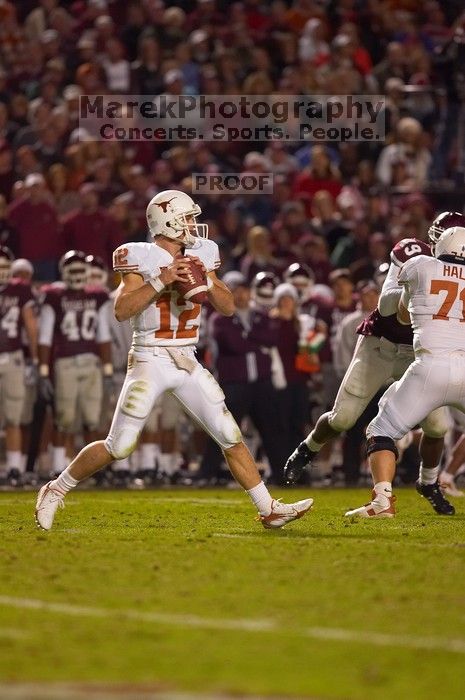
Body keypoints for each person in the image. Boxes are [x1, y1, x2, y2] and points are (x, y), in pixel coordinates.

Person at [35, 190, 312, 530]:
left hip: (187, 357)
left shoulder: (203, 253)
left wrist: (207, 280)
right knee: (119, 445)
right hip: (150, 357)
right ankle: (55, 489)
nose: (194, 225)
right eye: (187, 219)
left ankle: (268, 508)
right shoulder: (139, 256)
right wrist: (162, 279)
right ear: (167, 223)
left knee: (229, 434)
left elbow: (227, 307)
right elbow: (122, 310)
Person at [284, 230, 451, 511]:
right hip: (380, 345)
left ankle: (429, 482)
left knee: (438, 426)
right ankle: (307, 449)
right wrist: (414, 292)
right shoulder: (413, 254)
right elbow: (388, 309)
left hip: (418, 353)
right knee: (343, 418)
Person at [345, 225, 465, 518]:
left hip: (429, 366)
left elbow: (399, 313)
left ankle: (382, 501)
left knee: (380, 430)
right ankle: (430, 481)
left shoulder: (420, 264)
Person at [37, 250, 113, 478]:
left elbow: (103, 335)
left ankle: (94, 470)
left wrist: (107, 370)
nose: (79, 275)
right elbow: (44, 337)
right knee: (64, 419)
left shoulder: (97, 296)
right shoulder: (54, 297)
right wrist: (43, 372)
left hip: (91, 363)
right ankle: (59, 468)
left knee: (92, 420)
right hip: (66, 363)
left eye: (82, 270)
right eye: (74, 270)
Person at [0, 246, 38, 484]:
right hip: (12, 357)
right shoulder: (20, 290)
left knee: (14, 417)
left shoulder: (20, 290)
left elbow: (31, 326)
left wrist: (34, 360)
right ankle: (13, 468)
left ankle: (14, 468)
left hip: (13, 356)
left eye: (5, 267)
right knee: (13, 417)